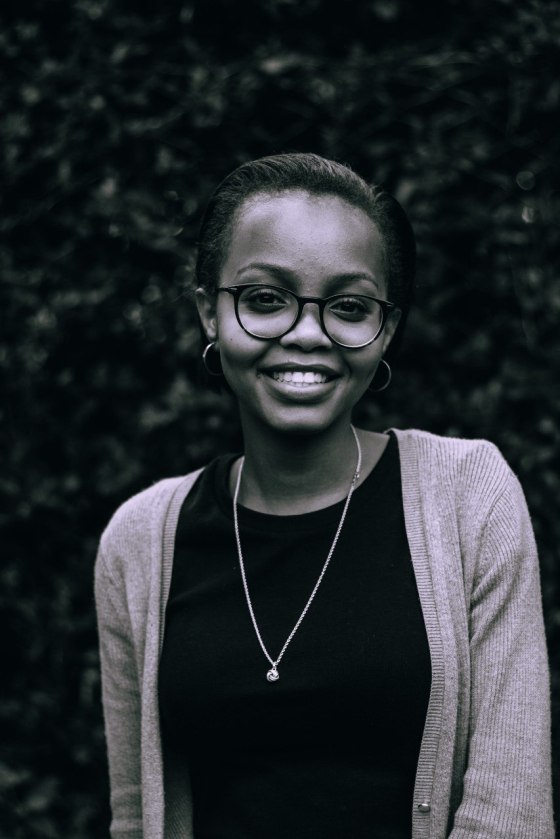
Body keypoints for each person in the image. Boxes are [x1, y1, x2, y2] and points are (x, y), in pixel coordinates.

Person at [95, 153, 554, 839]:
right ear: (209, 312)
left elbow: (511, 812)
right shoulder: (137, 542)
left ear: (385, 329)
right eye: (265, 298)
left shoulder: (471, 498)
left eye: (349, 307)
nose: (307, 333)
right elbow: (136, 817)